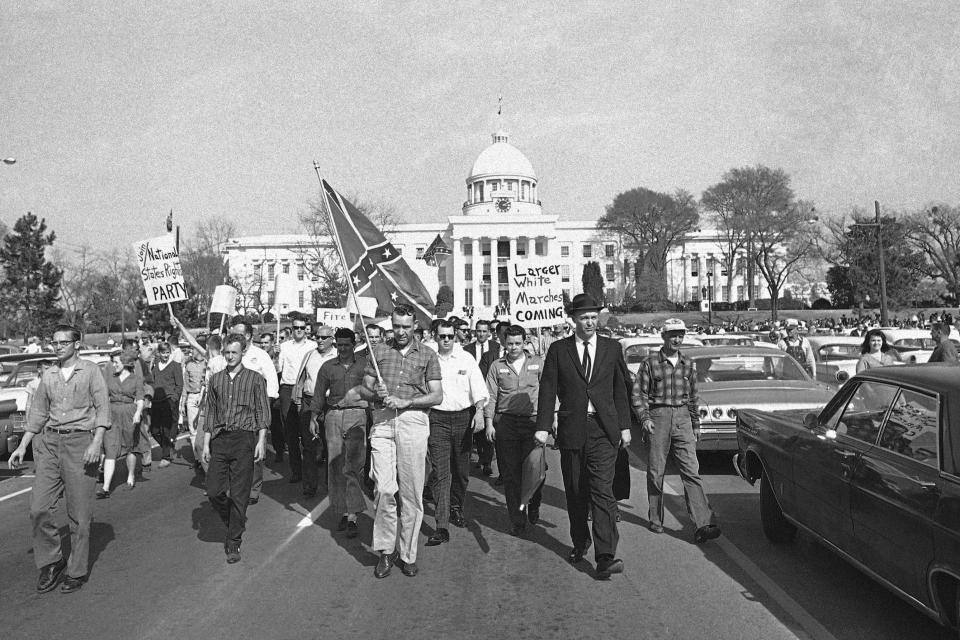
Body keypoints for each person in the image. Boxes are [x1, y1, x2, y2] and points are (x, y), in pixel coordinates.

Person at [8, 325, 110, 594]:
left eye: (64, 342)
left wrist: (96, 443)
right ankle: (52, 561)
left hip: (80, 444)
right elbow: (39, 413)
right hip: (50, 443)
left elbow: (102, 410)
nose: (58, 347)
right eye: (54, 343)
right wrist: (23, 445)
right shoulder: (49, 374)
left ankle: (76, 570)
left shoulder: (90, 371)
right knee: (38, 507)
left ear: (77, 344)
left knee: (78, 514)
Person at [536, 294, 631, 578]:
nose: (589, 322)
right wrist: (542, 426)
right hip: (572, 429)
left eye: (593, 317)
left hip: (603, 429)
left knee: (603, 490)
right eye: (584, 318)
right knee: (577, 492)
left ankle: (605, 555)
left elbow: (620, 390)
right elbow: (548, 388)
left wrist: (624, 426)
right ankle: (580, 541)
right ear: (573, 320)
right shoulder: (558, 349)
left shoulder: (612, 349)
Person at [357, 304, 442, 579]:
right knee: (383, 489)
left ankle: (408, 554)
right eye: (396, 326)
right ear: (391, 324)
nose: (401, 331)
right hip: (382, 421)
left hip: (413, 422)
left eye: (406, 326)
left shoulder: (428, 355)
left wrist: (408, 401)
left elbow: (437, 396)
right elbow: (363, 389)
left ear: (415, 325)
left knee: (412, 493)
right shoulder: (379, 351)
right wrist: (375, 392)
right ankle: (385, 551)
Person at [633, 318, 720, 545]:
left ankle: (703, 523)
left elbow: (693, 398)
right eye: (672, 335)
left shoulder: (688, 364)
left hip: (682, 417)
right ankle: (655, 517)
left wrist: (696, 425)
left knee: (691, 470)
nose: (677, 339)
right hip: (658, 416)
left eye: (680, 335)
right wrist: (644, 418)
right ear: (663, 336)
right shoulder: (650, 363)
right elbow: (638, 394)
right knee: (656, 471)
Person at [202, 334, 270, 564]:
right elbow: (210, 411)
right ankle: (234, 521)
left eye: (235, 352)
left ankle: (234, 542)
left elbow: (262, 412)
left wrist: (261, 442)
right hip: (221, 438)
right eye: (227, 352)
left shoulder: (254, 379)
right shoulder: (216, 380)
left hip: (244, 439)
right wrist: (206, 442)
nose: (230, 356)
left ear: (243, 353)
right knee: (214, 491)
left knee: (240, 494)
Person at [425, 320, 488, 546]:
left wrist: (479, 412)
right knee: (441, 472)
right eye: (442, 336)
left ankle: (456, 506)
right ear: (435, 336)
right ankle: (441, 525)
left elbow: (479, 389)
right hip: (437, 419)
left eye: (450, 336)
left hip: (463, 418)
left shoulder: (466, 359)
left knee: (461, 471)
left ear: (455, 337)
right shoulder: (429, 358)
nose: (446, 340)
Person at [485, 324, 543, 536]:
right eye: (509, 343)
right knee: (511, 475)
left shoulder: (537, 363)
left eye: (518, 343)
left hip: (532, 423)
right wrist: (489, 422)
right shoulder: (496, 366)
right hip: (507, 423)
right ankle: (518, 520)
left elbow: (547, 391)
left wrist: (551, 418)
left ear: (525, 342)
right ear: (504, 343)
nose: (513, 347)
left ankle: (534, 502)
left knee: (536, 471)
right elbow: (491, 396)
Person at [312, 328, 368, 529]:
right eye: (339, 345)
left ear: (354, 345)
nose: (343, 349)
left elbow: (372, 391)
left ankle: (353, 515)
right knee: (335, 465)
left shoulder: (364, 365)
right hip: (333, 416)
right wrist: (313, 417)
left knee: (353, 465)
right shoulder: (327, 367)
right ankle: (343, 511)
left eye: (347, 345)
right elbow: (319, 393)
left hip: (357, 416)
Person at [228, 319, 279, 505]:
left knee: (254, 449)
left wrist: (267, 402)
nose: (234, 337)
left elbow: (272, 381)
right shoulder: (231, 353)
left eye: (239, 334)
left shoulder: (260, 355)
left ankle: (253, 488)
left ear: (248, 336)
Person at [98, 351, 144, 497]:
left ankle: (130, 475)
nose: (114, 365)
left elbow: (140, 398)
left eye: (116, 362)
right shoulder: (110, 378)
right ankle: (106, 487)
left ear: (124, 363)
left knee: (130, 446)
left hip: (129, 413)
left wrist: (138, 412)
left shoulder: (136, 378)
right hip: (112, 413)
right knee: (110, 448)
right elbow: (104, 396)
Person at [277, 318, 317, 482]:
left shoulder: (313, 346)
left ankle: (310, 471)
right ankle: (296, 470)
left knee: (306, 432)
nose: (299, 330)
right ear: (292, 329)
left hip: (305, 390)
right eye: (296, 327)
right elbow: (279, 368)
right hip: (288, 389)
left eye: (302, 327)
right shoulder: (284, 346)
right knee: (290, 432)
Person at [150, 341, 183, 467]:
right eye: (163, 353)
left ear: (170, 353)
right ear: (159, 353)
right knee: (154, 430)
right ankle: (168, 446)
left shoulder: (175, 365)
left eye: (167, 352)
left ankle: (166, 457)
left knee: (166, 430)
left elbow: (179, 385)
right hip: (156, 402)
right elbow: (152, 382)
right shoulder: (156, 366)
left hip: (169, 401)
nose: (165, 355)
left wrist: (174, 399)